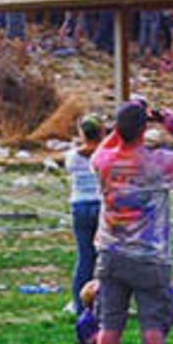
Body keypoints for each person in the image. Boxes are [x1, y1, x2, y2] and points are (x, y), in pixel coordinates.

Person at [93, 99, 173, 344]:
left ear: (117, 129)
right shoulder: (156, 162)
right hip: (149, 255)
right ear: (144, 130)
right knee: (152, 323)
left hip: (110, 251)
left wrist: (123, 122)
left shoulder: (104, 161)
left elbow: (102, 148)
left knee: (109, 323)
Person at [66, 117, 105, 308]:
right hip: (102, 205)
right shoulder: (105, 154)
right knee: (106, 257)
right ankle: (106, 301)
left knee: (84, 256)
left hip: (79, 205)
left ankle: (79, 303)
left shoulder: (72, 156)